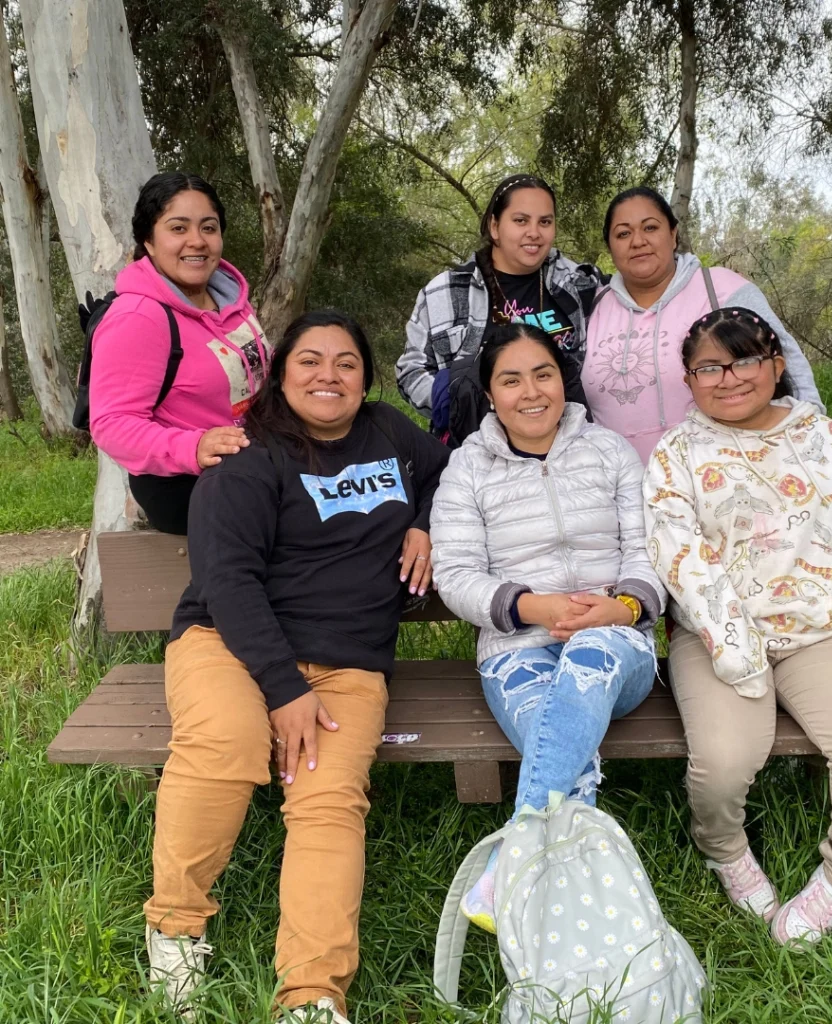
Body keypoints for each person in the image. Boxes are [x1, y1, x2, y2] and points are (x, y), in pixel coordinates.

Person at [142, 310, 450, 1023]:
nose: (329, 375)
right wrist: (283, 687)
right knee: (226, 744)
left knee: (327, 801)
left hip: (348, 661)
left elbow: (447, 471)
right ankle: (176, 928)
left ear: (366, 377)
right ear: (281, 373)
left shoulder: (387, 433)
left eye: (346, 362)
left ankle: (312, 995)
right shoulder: (250, 454)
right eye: (310, 361)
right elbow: (227, 579)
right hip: (229, 643)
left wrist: (424, 519)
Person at [643, 307, 832, 947]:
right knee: (721, 762)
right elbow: (678, 556)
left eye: (743, 360)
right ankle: (724, 848)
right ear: (689, 379)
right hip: (718, 637)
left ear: (774, 364)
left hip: (825, 631)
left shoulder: (829, 439)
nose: (728, 377)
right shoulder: (675, 454)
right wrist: (739, 654)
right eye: (708, 366)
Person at [430, 323, 665, 932]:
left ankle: (512, 860)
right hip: (516, 647)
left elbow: (650, 553)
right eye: (510, 379)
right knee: (562, 747)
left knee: (591, 656)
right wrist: (534, 607)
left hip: (617, 642)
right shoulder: (466, 469)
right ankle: (576, 913)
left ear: (564, 382)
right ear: (489, 393)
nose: (530, 392)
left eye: (543, 375)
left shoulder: (609, 451)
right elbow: (455, 576)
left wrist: (625, 608)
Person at [583, 186, 823, 463]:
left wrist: (811, 435)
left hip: (719, 476)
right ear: (610, 246)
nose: (638, 241)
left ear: (673, 234)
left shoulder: (720, 288)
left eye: (650, 228)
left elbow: (787, 361)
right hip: (621, 487)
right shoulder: (594, 305)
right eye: (623, 233)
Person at [89, 172, 271, 534]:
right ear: (149, 240)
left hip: (251, 461)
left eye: (208, 227)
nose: (197, 241)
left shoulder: (229, 300)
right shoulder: (138, 317)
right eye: (178, 228)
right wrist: (194, 447)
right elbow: (110, 425)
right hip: (187, 483)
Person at [395, 174, 605, 438]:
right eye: (520, 220)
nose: (534, 232)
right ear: (495, 226)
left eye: (545, 222)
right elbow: (411, 373)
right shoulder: (444, 292)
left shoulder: (581, 284)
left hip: (565, 450)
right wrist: (462, 400)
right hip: (477, 454)